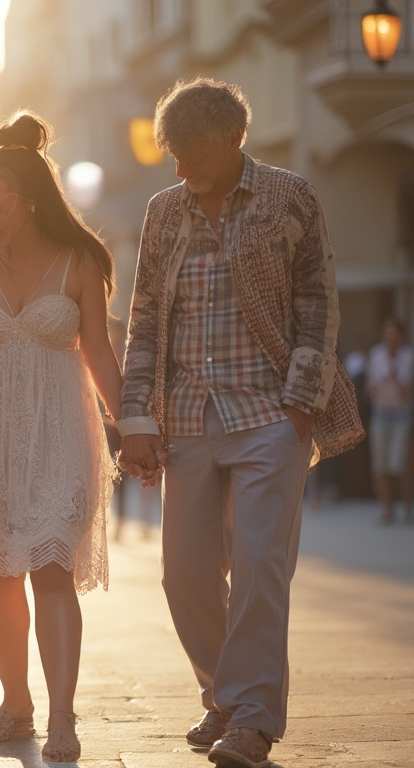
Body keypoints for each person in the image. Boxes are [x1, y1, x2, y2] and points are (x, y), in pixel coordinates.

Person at [118, 78, 364, 768]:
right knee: (184, 574)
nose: (179, 168)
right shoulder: (164, 211)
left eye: (190, 152)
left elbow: (319, 300)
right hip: (188, 417)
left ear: (234, 139)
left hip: (269, 415)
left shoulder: (291, 197)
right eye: (172, 153)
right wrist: (136, 415)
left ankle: (252, 720)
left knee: (259, 568)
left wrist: (301, 400)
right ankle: (225, 696)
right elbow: (142, 318)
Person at [0, 111, 122, 763]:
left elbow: (98, 353)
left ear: (30, 199)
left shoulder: (79, 261)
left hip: (61, 438)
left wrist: (134, 425)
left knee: (49, 571)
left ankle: (63, 716)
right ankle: (17, 704)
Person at [366, 315, 414, 524]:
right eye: (387, 331)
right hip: (381, 414)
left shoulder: (408, 356)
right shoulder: (376, 355)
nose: (390, 336)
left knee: (400, 464)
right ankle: (386, 509)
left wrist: (394, 375)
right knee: (381, 465)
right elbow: (370, 388)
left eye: (394, 332)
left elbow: (407, 391)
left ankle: (406, 507)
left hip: (401, 415)